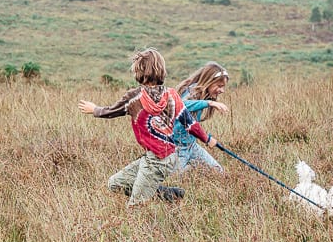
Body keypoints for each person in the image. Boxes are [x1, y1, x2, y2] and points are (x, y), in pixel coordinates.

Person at [78, 48, 219, 206]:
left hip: (157, 161)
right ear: (162, 70)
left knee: (135, 206)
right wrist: (207, 139)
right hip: (160, 158)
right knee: (115, 184)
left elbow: (110, 112)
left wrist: (94, 109)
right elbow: (190, 124)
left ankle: (150, 205)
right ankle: (171, 194)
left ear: (138, 71)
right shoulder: (172, 95)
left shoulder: (134, 98)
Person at [173, 62, 229, 173]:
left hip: (192, 146)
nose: (222, 91)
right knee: (174, 178)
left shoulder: (202, 95)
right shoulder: (191, 92)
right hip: (178, 148)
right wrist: (209, 103)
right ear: (209, 82)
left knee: (218, 171)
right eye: (219, 86)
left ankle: (192, 167)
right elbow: (181, 105)